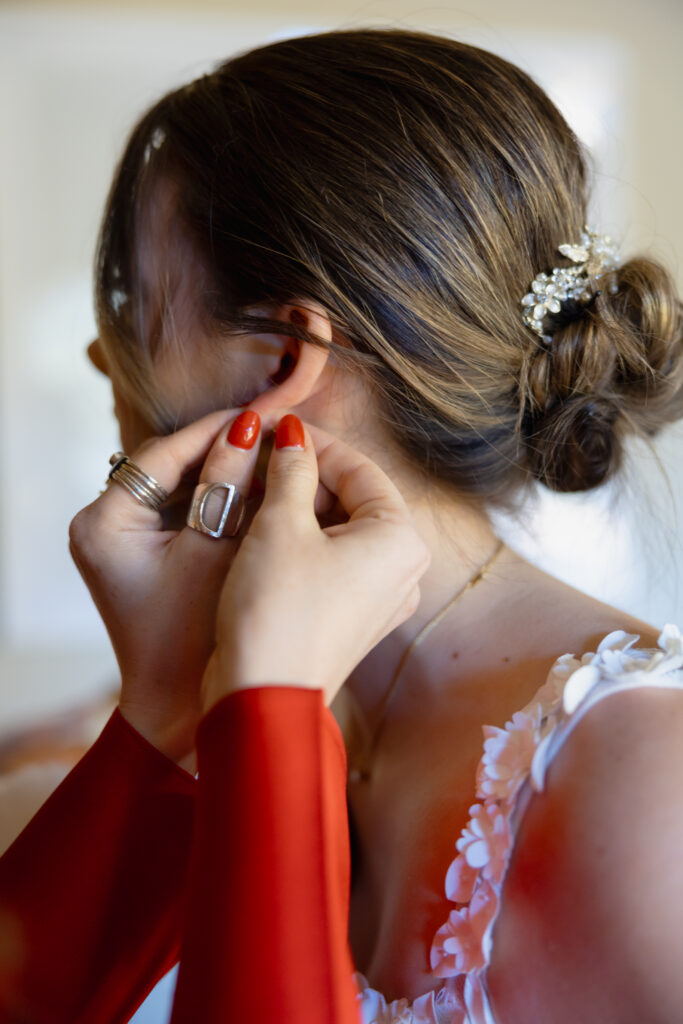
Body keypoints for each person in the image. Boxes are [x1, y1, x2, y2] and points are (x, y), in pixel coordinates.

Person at [1, 26, 683, 1024]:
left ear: (284, 361)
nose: (106, 361)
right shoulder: (257, 702)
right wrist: (163, 712)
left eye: (134, 307)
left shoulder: (650, 786)